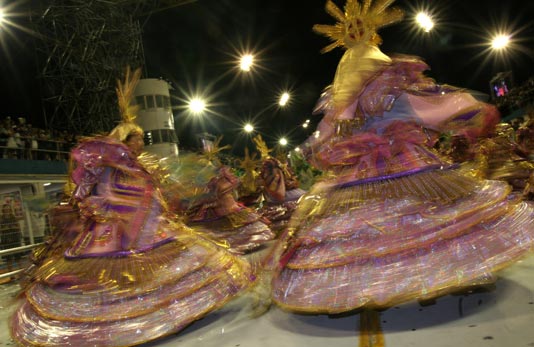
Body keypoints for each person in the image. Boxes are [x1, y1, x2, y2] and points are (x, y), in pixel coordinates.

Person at [265, 0, 534, 341]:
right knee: (426, 219)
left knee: (387, 228)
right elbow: (429, 109)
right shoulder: (387, 89)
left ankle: (408, 280)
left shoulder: (351, 101)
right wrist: (469, 110)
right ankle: (444, 275)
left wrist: (311, 148)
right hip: (404, 161)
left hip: (377, 167)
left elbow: (327, 137)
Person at [10, 68, 254, 347]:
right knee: (119, 275)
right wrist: (100, 205)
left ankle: (161, 311)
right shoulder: (111, 163)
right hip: (117, 228)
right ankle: (130, 319)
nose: (141, 142)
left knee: (173, 258)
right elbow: (95, 191)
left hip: (143, 223)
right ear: (126, 140)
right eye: (136, 138)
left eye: (140, 138)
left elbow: (146, 190)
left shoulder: (132, 164)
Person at [0, 203, 22, 279]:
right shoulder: (1, 218)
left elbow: (17, 227)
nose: (7, 210)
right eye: (6, 209)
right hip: (6, 239)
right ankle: (11, 275)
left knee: (18, 257)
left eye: (8, 208)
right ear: (3, 210)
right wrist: (7, 228)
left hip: (14, 237)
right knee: (8, 258)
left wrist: (10, 227)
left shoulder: (13, 217)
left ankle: (21, 273)